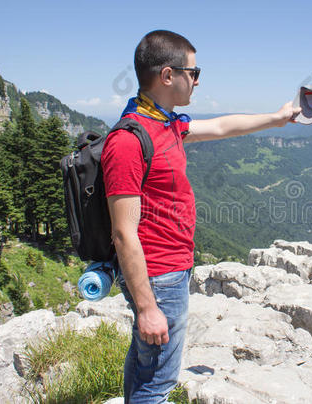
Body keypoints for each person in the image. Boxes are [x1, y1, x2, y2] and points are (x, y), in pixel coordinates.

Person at [101, 30, 300, 403]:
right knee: (158, 383)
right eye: (193, 72)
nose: (196, 80)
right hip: (158, 277)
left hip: (169, 271)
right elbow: (123, 233)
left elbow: (222, 126)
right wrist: (147, 308)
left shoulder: (164, 124)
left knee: (146, 366)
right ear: (167, 75)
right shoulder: (130, 140)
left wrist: (278, 119)